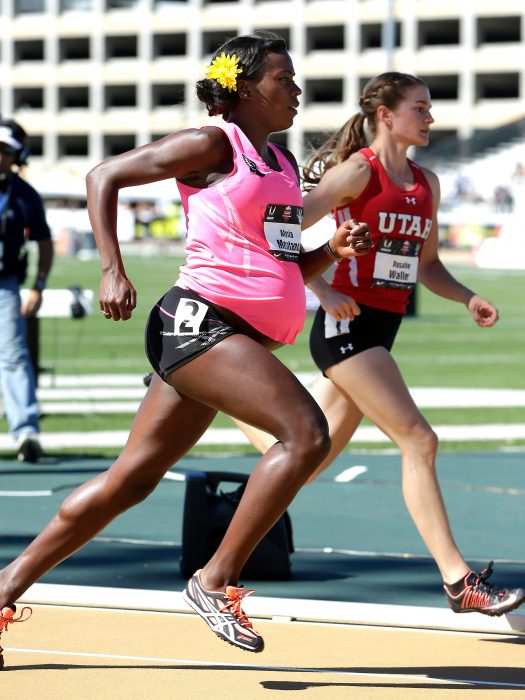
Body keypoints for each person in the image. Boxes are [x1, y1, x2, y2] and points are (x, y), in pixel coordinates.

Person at [0, 32, 372, 666]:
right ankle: (213, 579)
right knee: (306, 434)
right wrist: (112, 269)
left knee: (129, 482)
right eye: (285, 80)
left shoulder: (280, 165)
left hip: (231, 338)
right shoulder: (212, 144)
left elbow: (278, 257)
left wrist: (328, 253)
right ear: (247, 89)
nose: (297, 92)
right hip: (199, 323)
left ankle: (1, 590)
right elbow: (104, 174)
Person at [235, 72, 525, 618]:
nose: (431, 118)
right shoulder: (357, 171)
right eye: (421, 107)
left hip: (380, 329)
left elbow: (428, 264)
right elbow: (282, 233)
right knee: (419, 439)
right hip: (346, 329)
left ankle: (219, 399)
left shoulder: (426, 183)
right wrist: (318, 285)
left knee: (308, 459)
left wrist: (466, 298)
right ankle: (458, 580)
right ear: (387, 114)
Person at [0, 119, 53, 463]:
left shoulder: (24, 195)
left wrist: (39, 285)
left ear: (18, 155)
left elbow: (44, 242)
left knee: (14, 355)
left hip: (5, 283)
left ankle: (25, 431)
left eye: (5, 150)